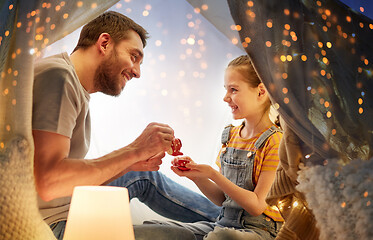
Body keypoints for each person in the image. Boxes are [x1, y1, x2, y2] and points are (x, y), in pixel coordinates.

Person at [33, 11, 219, 240]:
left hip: (68, 206)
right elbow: (49, 183)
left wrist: (132, 162)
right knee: (181, 236)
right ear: (104, 43)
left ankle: (232, 220)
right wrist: (134, 150)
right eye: (133, 56)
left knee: (143, 175)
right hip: (54, 224)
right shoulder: (58, 78)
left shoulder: (69, 81)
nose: (137, 72)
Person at [141, 55, 284, 240]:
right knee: (156, 231)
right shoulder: (230, 136)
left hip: (259, 232)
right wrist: (196, 176)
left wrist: (212, 174)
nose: (226, 98)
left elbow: (257, 205)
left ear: (261, 92)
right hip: (222, 224)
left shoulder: (275, 141)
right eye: (226, 90)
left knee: (222, 238)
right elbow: (222, 199)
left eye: (233, 90)